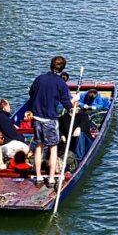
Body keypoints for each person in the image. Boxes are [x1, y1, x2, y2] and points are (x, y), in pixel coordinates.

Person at [27, 55, 77, 188]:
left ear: (51, 65)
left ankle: (38, 177)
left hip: (37, 118)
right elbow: (66, 101)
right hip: (50, 120)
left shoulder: (39, 78)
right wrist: (71, 109)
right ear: (62, 69)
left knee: (38, 147)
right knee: (53, 148)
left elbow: (31, 93)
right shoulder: (60, 83)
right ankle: (50, 179)